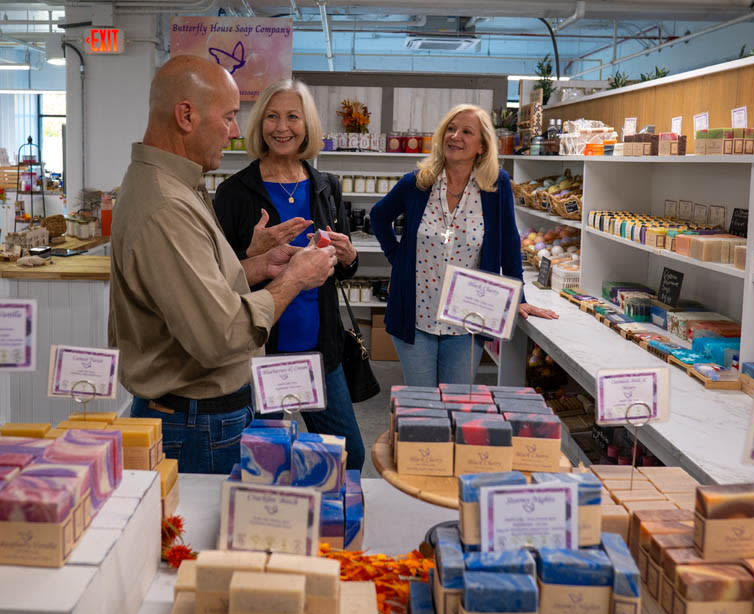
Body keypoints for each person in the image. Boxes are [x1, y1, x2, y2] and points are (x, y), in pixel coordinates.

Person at [109, 56, 338, 474]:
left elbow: (195, 287)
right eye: (230, 117)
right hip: (194, 421)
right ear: (186, 115)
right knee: (200, 534)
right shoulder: (165, 206)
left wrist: (256, 267)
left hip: (198, 413)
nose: (235, 131)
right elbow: (222, 334)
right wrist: (293, 279)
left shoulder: (176, 185)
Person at [214, 78, 365, 471]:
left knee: (349, 455)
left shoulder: (326, 187)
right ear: (259, 124)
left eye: (292, 117)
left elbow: (340, 271)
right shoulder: (234, 192)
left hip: (321, 349)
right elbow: (218, 279)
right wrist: (251, 253)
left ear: (307, 125)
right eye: (272, 117)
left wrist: (347, 258)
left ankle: (329, 524)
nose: (282, 127)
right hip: (264, 349)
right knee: (265, 460)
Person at [370, 103, 558, 387]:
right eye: (451, 129)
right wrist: (398, 258)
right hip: (416, 317)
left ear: (482, 146)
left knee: (457, 406)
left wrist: (517, 297)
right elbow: (378, 216)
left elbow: (508, 243)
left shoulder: (496, 186)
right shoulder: (417, 183)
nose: (455, 136)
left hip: (468, 319)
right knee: (421, 408)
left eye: (466, 132)